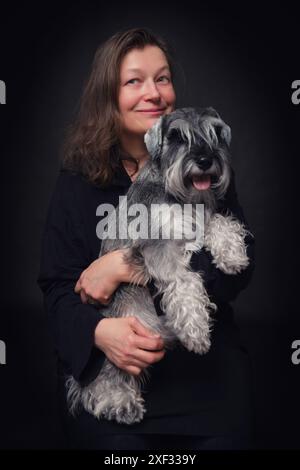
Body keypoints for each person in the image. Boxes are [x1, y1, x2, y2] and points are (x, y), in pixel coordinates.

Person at [37, 27, 255, 450]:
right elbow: (57, 288)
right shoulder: (78, 182)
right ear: (109, 95)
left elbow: (235, 275)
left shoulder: (204, 168)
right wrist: (99, 335)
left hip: (204, 378)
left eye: (163, 78)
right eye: (133, 80)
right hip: (115, 370)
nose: (153, 92)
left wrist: (120, 266)